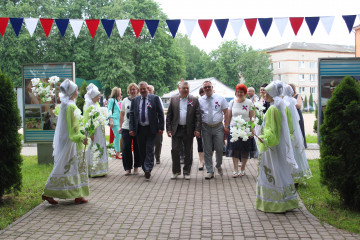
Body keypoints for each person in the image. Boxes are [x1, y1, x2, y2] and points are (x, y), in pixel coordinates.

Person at [42, 79, 89, 204]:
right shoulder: (71, 106)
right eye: (76, 90)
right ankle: (49, 191)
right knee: (67, 165)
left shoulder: (64, 104)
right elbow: (73, 127)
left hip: (66, 140)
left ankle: (77, 194)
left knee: (71, 166)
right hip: (71, 142)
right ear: (73, 92)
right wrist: (81, 137)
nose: (78, 92)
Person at [256, 81, 298, 213]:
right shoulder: (283, 106)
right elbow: (289, 127)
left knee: (272, 169)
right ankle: (287, 200)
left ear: (272, 93)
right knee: (281, 168)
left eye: (267, 92)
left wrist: (263, 138)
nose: (264, 94)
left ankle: (275, 202)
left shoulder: (273, 109)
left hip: (272, 146)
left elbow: (271, 131)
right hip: (281, 144)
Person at [129, 81, 164, 181]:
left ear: (147, 89)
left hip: (151, 128)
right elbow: (131, 115)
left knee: (149, 148)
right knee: (142, 150)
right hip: (139, 129)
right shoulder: (135, 100)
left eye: (145, 89)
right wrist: (131, 128)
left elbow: (160, 113)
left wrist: (161, 127)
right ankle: (145, 168)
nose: (143, 90)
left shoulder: (155, 98)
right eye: (141, 89)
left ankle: (148, 168)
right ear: (139, 90)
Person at [166, 81, 201, 180]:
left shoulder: (194, 100)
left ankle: (186, 171)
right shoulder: (173, 99)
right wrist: (168, 129)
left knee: (188, 151)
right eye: (184, 88)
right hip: (176, 129)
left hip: (188, 129)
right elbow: (169, 116)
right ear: (179, 89)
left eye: (187, 88)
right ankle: (176, 171)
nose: (186, 90)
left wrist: (197, 129)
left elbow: (198, 116)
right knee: (175, 150)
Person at [225, 84, 257, 178]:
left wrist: (252, 128)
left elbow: (252, 117)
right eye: (238, 91)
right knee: (234, 149)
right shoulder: (232, 102)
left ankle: (242, 168)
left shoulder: (249, 103)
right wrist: (226, 126)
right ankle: (235, 169)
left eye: (241, 92)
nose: (239, 93)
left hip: (245, 129)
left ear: (245, 93)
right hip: (234, 129)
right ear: (235, 92)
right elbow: (229, 115)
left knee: (244, 149)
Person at [199, 80, 229, 179]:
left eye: (209, 87)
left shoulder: (220, 98)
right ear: (203, 89)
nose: (207, 89)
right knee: (207, 150)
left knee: (220, 149)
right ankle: (210, 171)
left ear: (212, 87)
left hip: (218, 127)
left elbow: (226, 112)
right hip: (205, 127)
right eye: (205, 87)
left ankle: (218, 165)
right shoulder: (200, 100)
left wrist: (226, 126)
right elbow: (198, 115)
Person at [283, 84, 312, 183]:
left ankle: (294, 173)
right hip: (292, 123)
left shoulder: (289, 101)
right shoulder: (288, 101)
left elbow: (299, 106)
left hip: (293, 123)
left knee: (295, 144)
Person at [84, 83, 108, 177]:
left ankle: (101, 169)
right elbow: (88, 120)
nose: (99, 97)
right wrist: (91, 132)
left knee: (100, 147)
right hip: (94, 131)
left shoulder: (96, 104)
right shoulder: (89, 106)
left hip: (100, 132)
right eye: (98, 96)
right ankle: (94, 170)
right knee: (94, 147)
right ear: (93, 96)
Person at [119, 83, 140, 176]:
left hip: (137, 128)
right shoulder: (125, 100)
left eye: (134, 89)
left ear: (137, 90)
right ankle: (127, 168)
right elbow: (122, 114)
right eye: (131, 89)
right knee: (126, 148)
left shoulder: (140, 100)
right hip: (126, 127)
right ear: (128, 91)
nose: (132, 91)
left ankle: (136, 167)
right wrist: (120, 126)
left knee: (137, 148)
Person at [148, 85, 164, 164]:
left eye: (150, 90)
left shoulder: (157, 99)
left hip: (156, 125)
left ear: (153, 91)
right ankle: (150, 158)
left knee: (158, 142)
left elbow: (161, 112)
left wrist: (161, 126)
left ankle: (157, 156)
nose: (148, 91)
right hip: (147, 126)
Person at [289, 84, 307, 148]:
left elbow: (299, 105)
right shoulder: (286, 97)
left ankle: (302, 144)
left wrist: (291, 102)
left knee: (299, 128)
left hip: (297, 113)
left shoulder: (298, 95)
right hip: (289, 114)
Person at [108, 87, 122, 159]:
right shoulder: (112, 100)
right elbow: (109, 110)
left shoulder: (118, 101)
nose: (121, 93)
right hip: (114, 120)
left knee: (117, 136)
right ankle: (118, 153)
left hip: (118, 121)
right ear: (117, 92)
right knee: (118, 136)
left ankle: (112, 151)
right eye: (120, 91)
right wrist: (111, 121)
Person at [197, 87, 205, 170]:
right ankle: (201, 161)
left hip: (209, 125)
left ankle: (207, 160)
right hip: (199, 125)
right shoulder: (198, 101)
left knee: (211, 144)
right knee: (200, 143)